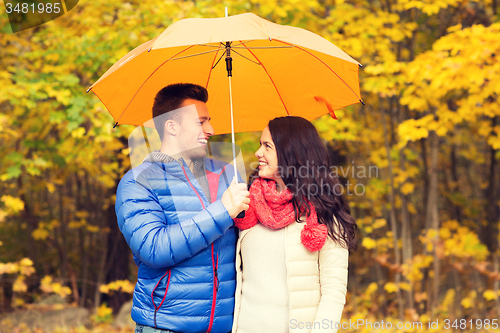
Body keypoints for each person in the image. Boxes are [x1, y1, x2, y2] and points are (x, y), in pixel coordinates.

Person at [115, 83, 250, 333]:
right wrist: (223, 212)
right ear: (172, 126)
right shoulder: (138, 181)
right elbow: (153, 248)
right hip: (167, 325)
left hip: (227, 326)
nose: (210, 129)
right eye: (201, 122)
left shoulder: (227, 174)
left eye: (209, 120)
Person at [232, 116, 357, 333]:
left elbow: (333, 293)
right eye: (260, 144)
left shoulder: (324, 212)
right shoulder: (248, 204)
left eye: (267, 146)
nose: (258, 153)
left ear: (291, 152)